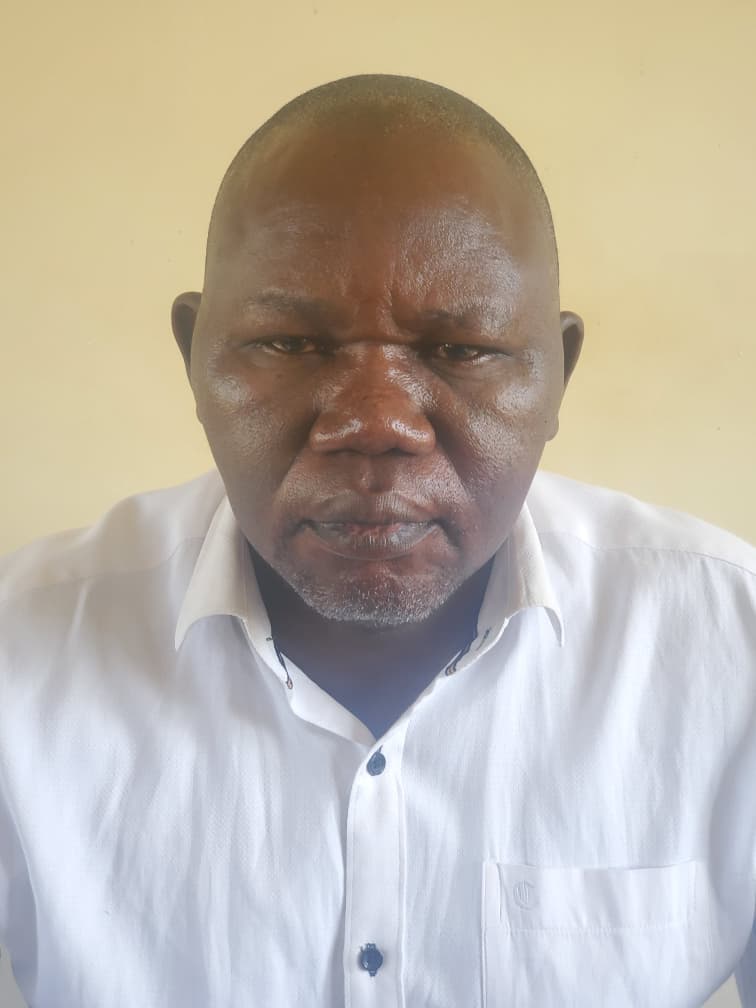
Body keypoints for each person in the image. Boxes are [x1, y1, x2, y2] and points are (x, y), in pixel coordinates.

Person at [0, 74, 754, 1008]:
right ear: (195, 357)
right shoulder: (20, 656)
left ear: (558, 375)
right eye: (291, 343)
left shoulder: (732, 645)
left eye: (460, 350)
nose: (375, 423)